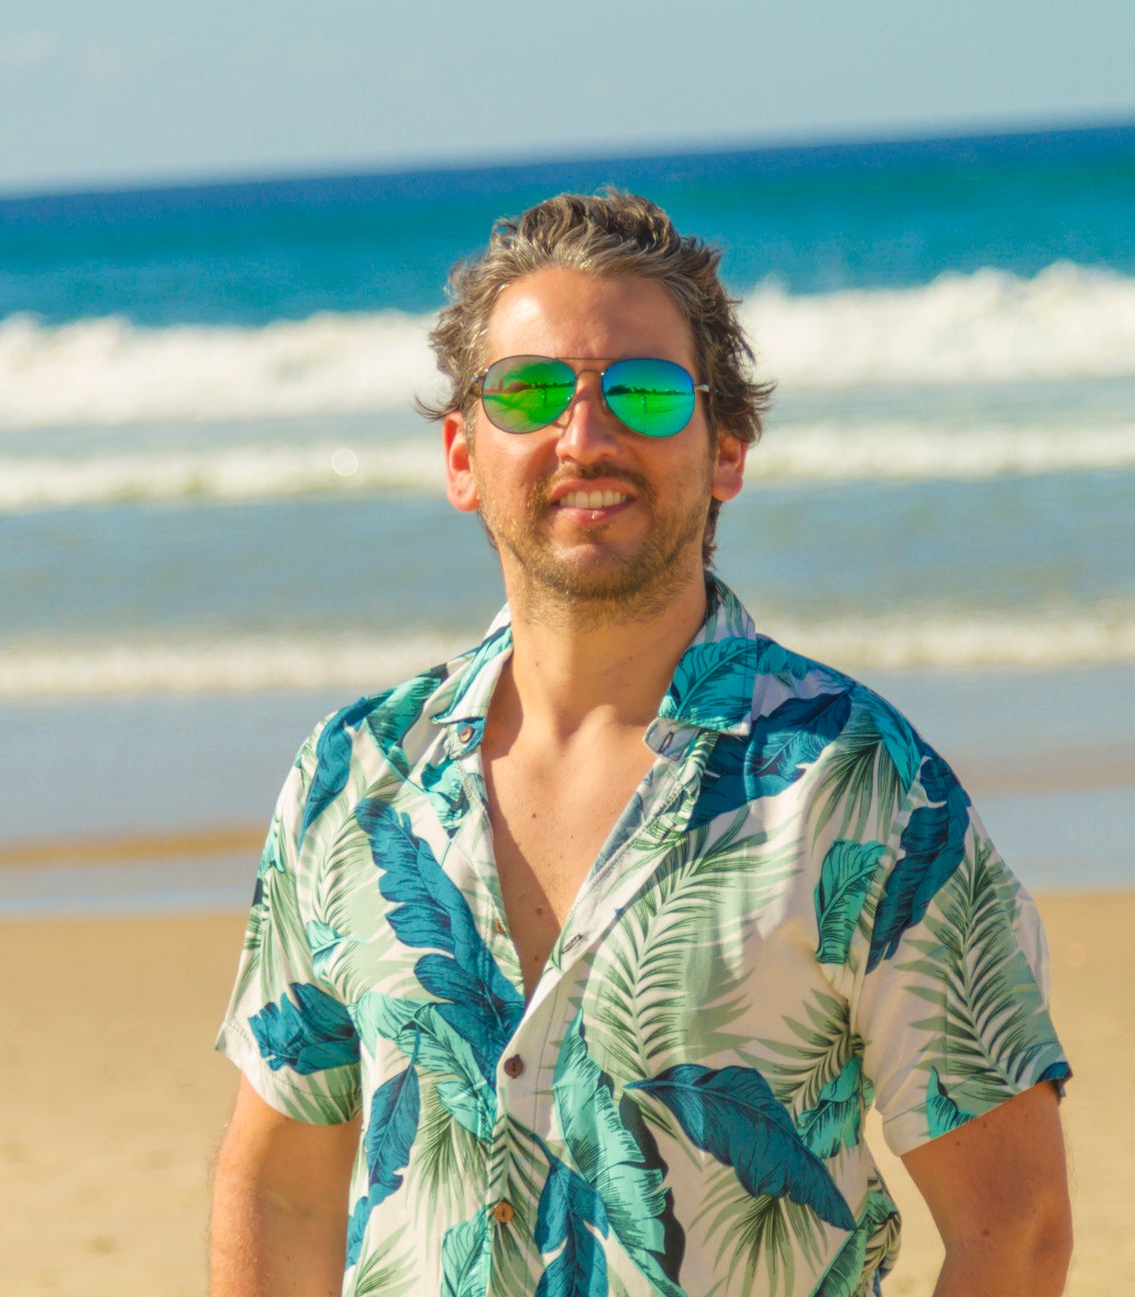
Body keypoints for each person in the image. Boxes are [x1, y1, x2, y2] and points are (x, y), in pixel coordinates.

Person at [208, 191, 1072, 1297]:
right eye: (527, 392)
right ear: (462, 454)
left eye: (646, 391)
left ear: (725, 451)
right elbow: (279, 1190)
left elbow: (1014, 1225)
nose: (584, 435)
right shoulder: (353, 778)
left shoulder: (859, 786)